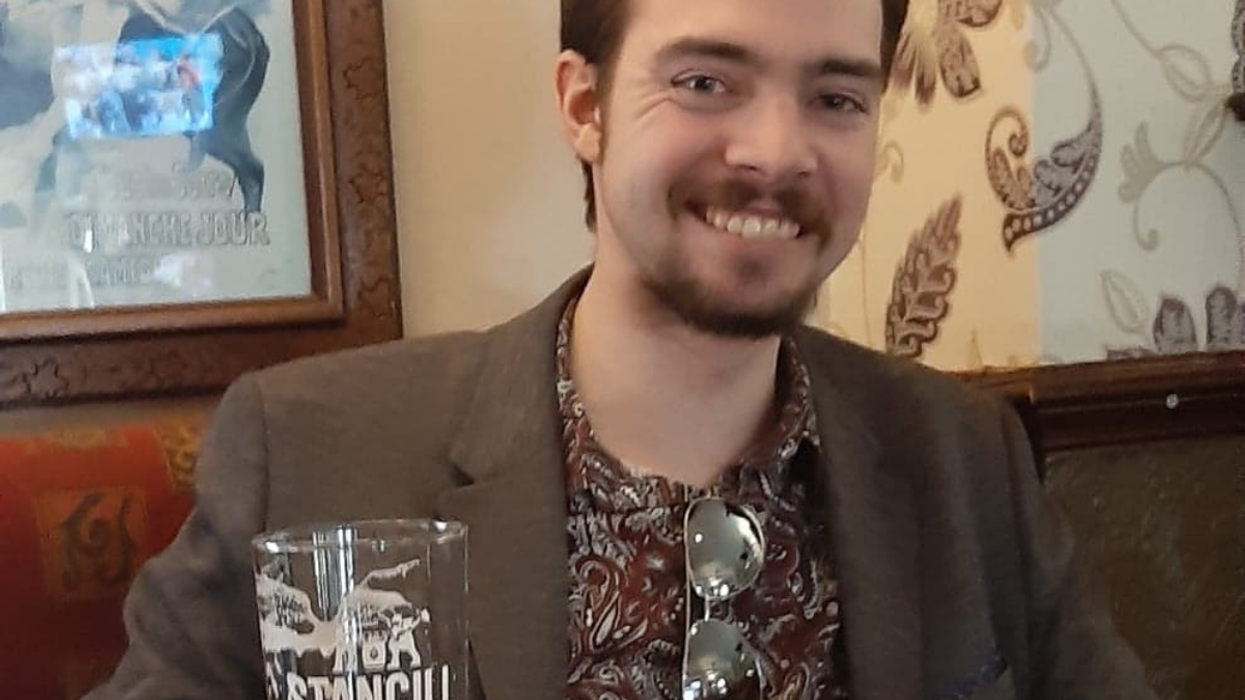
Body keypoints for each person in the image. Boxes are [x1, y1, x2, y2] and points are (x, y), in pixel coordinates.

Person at [88, 0, 1157, 699]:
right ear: (584, 105)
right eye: (705, 82)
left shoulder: (964, 455)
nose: (775, 152)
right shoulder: (310, 450)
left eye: (835, 98)